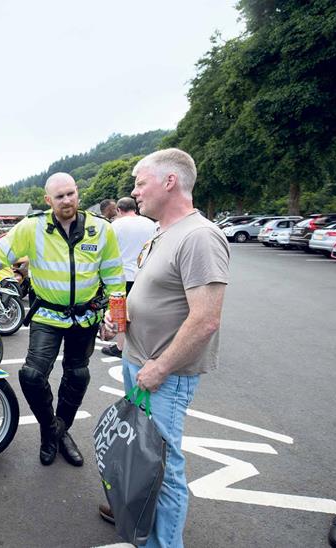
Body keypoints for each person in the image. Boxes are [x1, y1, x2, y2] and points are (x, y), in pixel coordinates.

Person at [0, 172, 125, 467]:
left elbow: (116, 279)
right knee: (31, 375)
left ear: (78, 193)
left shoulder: (101, 230)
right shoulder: (33, 227)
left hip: (85, 316)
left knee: (77, 375)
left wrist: (116, 320)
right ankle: (49, 429)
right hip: (48, 315)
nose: (67, 200)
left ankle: (61, 430)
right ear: (47, 200)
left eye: (71, 193)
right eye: (60, 196)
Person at [98, 149, 230, 548]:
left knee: (165, 469)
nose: (134, 192)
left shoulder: (200, 236)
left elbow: (206, 319)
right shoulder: (162, 232)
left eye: (141, 182)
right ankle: (139, 516)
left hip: (163, 377)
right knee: (142, 458)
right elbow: (158, 298)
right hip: (139, 363)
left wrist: (160, 367)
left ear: (169, 181)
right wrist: (120, 326)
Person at [101, 196, 157, 358]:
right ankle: (146, 346)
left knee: (120, 312)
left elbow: (107, 251)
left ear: (118, 210)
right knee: (143, 311)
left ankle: (120, 347)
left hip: (121, 276)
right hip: (144, 274)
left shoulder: (114, 225)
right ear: (135, 208)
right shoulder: (150, 224)